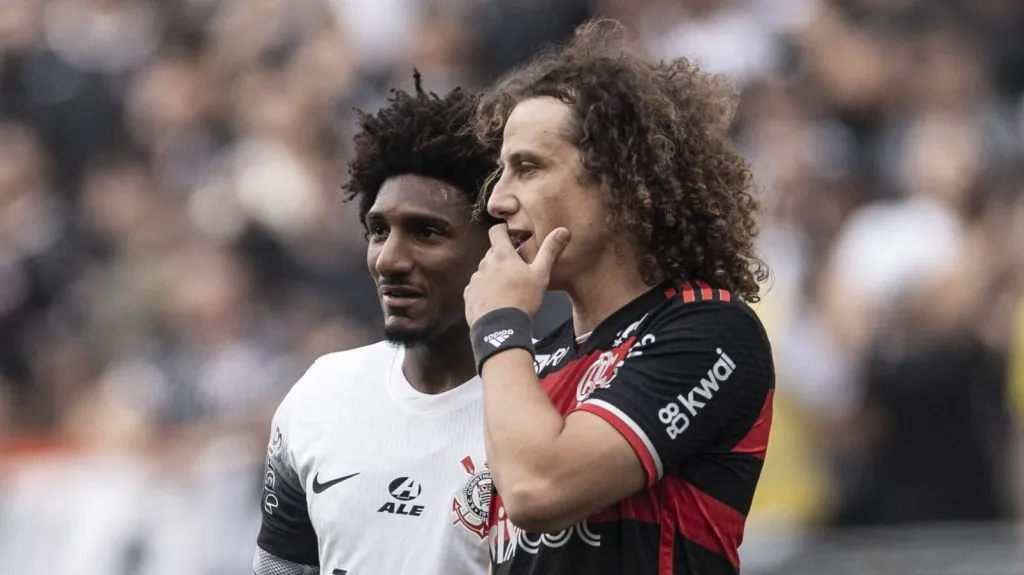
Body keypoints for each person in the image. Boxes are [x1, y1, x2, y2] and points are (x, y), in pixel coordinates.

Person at [463, 20, 775, 575]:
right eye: (500, 172)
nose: (498, 201)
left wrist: (499, 322)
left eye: (528, 168)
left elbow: (539, 489)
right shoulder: (531, 362)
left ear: (620, 181)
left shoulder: (709, 330)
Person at [252, 73, 498, 575]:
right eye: (378, 230)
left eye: (426, 232)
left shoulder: (555, 404)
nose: (389, 259)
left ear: (498, 246)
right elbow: (279, 567)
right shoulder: (320, 395)